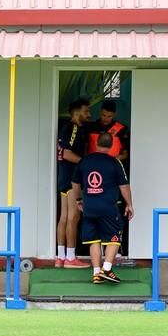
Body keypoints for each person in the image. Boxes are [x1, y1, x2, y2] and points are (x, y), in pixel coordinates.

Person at [71, 132, 134, 284]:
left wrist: (79, 199)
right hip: (108, 207)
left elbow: (74, 183)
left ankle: (96, 273)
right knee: (114, 237)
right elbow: (124, 186)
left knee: (94, 240)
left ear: (96, 143)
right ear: (111, 145)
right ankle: (107, 268)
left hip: (89, 207)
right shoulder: (114, 162)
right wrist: (130, 204)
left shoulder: (84, 161)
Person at [55, 98, 91, 268]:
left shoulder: (64, 128)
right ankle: (70, 258)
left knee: (63, 217)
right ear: (77, 112)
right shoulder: (73, 128)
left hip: (63, 178)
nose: (89, 114)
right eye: (86, 111)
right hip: (71, 179)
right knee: (73, 217)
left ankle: (60, 257)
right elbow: (68, 154)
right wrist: (85, 162)